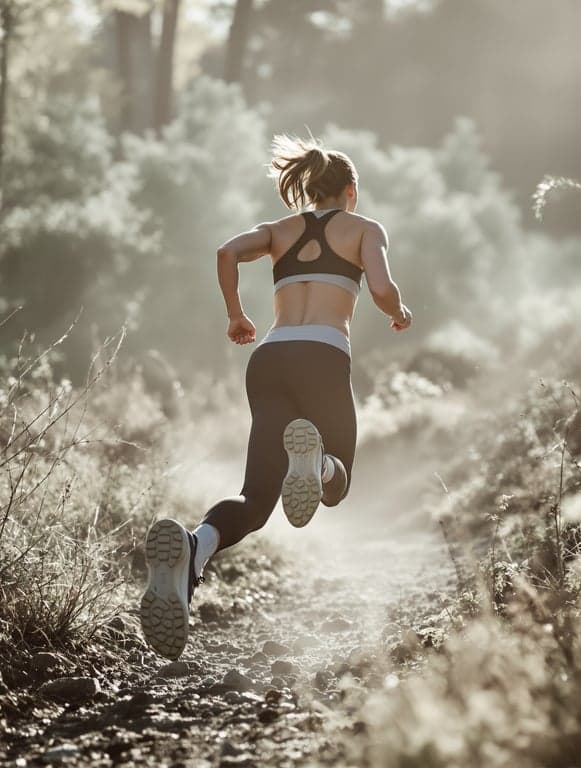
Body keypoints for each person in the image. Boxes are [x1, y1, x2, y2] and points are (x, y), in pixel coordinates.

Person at [140, 135, 412, 660]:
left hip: (270, 358)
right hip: (324, 356)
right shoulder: (365, 229)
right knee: (339, 481)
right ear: (351, 191)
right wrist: (399, 313)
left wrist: (235, 315)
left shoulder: (280, 230)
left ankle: (195, 548)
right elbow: (380, 287)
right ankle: (320, 463)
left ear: (309, 188)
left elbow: (226, 252)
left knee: (256, 499)